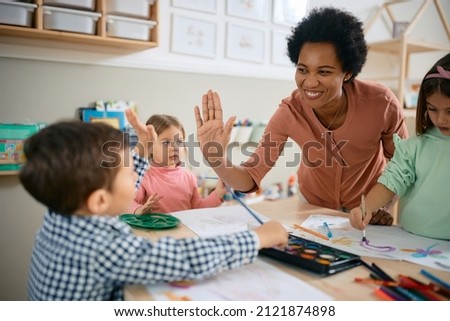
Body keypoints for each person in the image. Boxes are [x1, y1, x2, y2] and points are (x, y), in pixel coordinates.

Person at [21, 120, 288, 300]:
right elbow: (184, 258)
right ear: (100, 201)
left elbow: (114, 190)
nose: (137, 174)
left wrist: (138, 154)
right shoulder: (100, 249)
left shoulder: (60, 215)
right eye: (130, 173)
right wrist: (257, 238)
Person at [194, 7, 408, 223]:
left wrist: (380, 205)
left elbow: (404, 164)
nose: (310, 82)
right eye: (303, 70)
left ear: (348, 73)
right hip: (313, 207)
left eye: (324, 72)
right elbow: (250, 177)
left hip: (368, 209)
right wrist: (217, 159)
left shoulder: (381, 103)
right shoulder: (290, 112)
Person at [349, 53, 450, 240]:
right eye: (432, 109)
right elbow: (390, 182)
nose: (441, 119)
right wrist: (366, 208)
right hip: (409, 240)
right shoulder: (414, 147)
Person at [129, 113, 226, 214]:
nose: (175, 147)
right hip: (155, 230)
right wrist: (139, 210)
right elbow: (130, 202)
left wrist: (218, 194)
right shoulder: (143, 177)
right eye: (166, 143)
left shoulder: (189, 177)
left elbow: (197, 209)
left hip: (184, 229)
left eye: (179, 142)